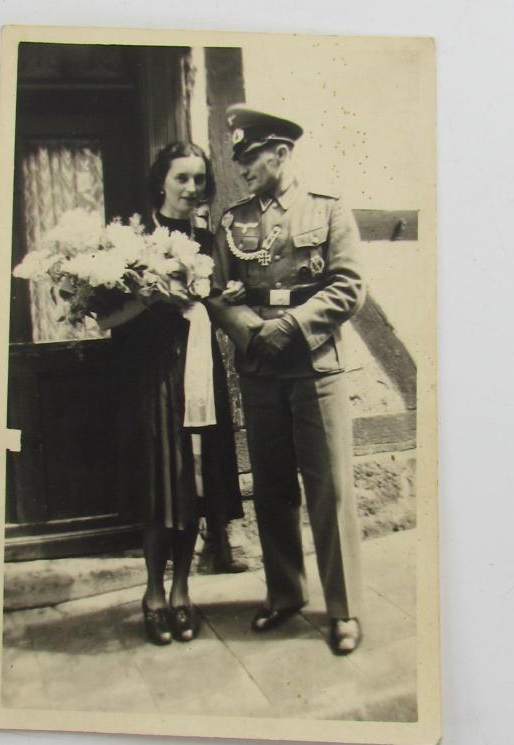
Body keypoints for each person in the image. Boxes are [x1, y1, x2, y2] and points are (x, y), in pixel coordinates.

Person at [208, 105, 365, 655]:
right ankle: (285, 595)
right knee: (272, 488)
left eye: (251, 158)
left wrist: (292, 326)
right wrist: (253, 333)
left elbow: (348, 288)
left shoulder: (328, 210)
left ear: (281, 153)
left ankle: (343, 610)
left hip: (315, 366)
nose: (243, 168)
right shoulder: (232, 222)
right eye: (240, 160)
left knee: (329, 488)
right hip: (260, 368)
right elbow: (216, 292)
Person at [97, 142, 244, 647]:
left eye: (200, 179)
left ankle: (183, 592)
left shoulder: (208, 239)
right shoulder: (132, 239)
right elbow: (104, 318)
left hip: (199, 375)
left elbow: (224, 300)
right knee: (163, 489)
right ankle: (154, 593)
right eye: (182, 178)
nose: (192, 188)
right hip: (151, 378)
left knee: (196, 489)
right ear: (161, 181)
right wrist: (149, 295)